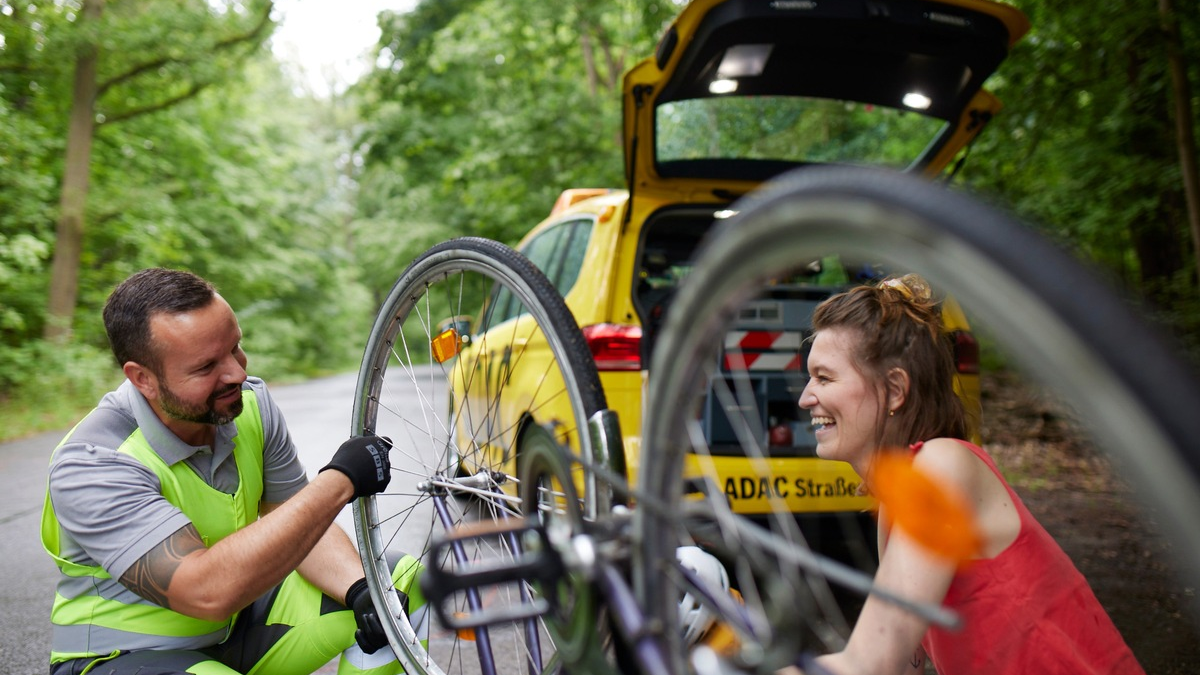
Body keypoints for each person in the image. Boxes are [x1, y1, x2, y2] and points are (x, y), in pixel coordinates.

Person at [42, 268, 424, 675]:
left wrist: (360, 588)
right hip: (125, 656)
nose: (237, 374)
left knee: (393, 585)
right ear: (143, 379)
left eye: (235, 348)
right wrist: (340, 479)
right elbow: (205, 593)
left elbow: (293, 520)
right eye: (207, 367)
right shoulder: (94, 461)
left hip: (236, 633)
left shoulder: (246, 405)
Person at [789, 274, 1144, 675]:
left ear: (894, 390)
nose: (805, 398)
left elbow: (870, 662)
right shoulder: (897, 499)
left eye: (824, 377)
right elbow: (903, 663)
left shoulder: (942, 465)